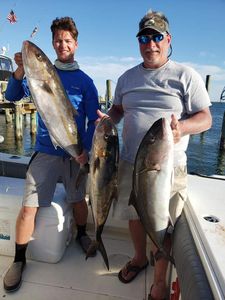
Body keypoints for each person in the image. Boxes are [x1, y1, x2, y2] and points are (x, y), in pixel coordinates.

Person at [98, 9, 212, 300]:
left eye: (157, 37)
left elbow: (206, 118)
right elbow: (119, 110)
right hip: (130, 163)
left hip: (167, 167)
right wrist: (107, 120)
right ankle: (139, 258)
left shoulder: (186, 76)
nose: (151, 44)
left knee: (163, 221)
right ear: (138, 42)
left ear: (168, 39)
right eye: (144, 38)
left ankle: (159, 280)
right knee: (135, 215)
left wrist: (182, 129)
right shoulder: (126, 78)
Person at [3, 16, 99, 292]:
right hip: (45, 151)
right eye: (57, 40)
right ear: (53, 43)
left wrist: (84, 151)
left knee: (78, 199)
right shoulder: (37, 74)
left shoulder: (86, 81)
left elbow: (93, 119)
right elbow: (12, 96)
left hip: (74, 153)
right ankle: (19, 259)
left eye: (67, 40)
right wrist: (20, 69)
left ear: (76, 44)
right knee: (28, 207)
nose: (62, 44)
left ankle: (82, 234)